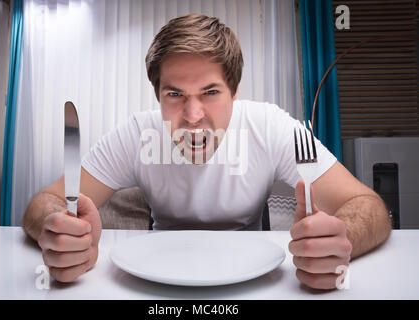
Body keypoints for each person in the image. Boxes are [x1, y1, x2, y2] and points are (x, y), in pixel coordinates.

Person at [22, 14, 392, 290]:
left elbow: (367, 204)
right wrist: (59, 231)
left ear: (234, 92)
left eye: (211, 93)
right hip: (155, 284)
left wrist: (342, 238)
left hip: (253, 284)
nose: (193, 116)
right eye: (175, 94)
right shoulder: (137, 133)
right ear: (158, 96)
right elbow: (45, 203)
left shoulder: (272, 126)